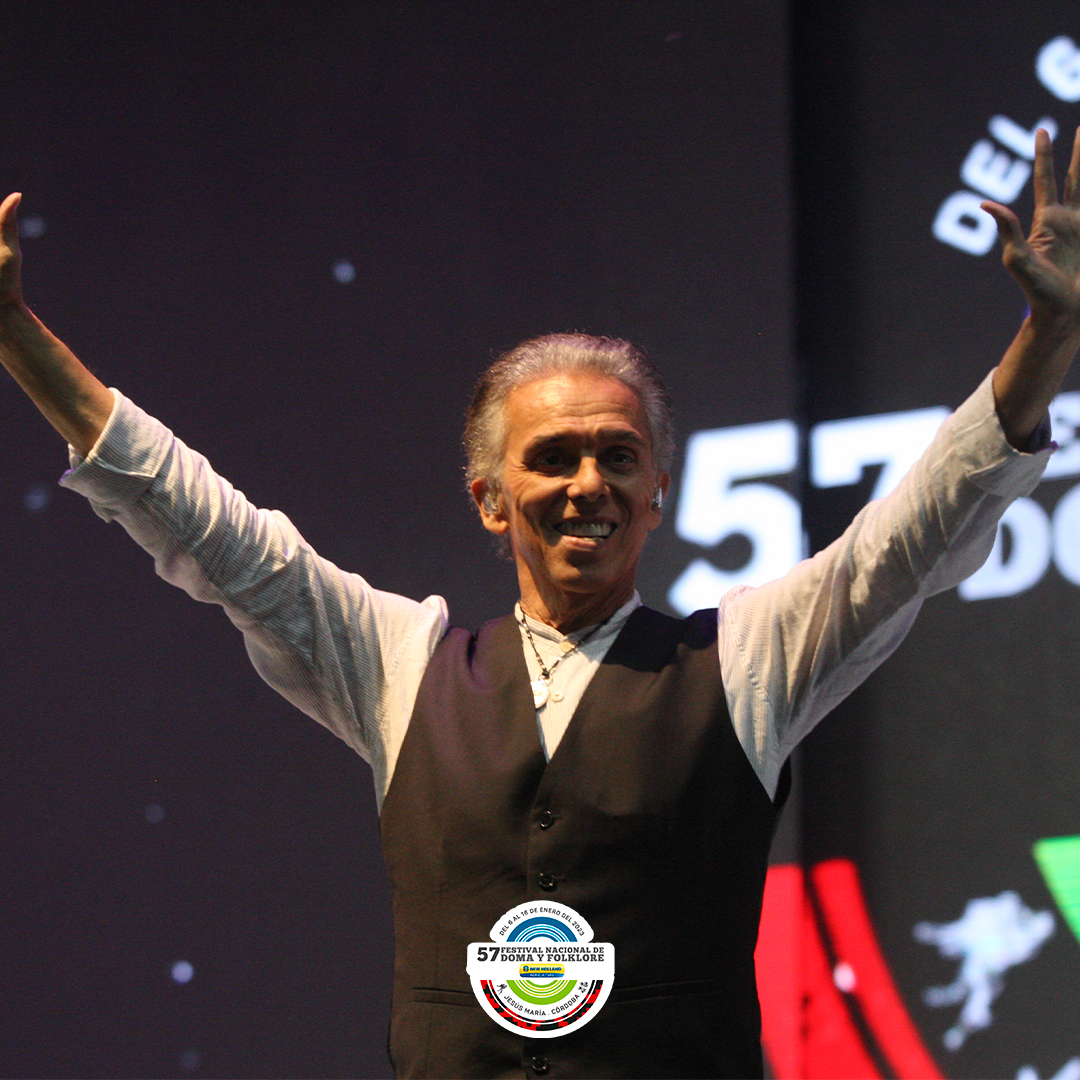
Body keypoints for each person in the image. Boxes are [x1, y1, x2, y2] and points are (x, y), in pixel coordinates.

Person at [2, 128, 1079, 1079]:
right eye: (553, 457)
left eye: (619, 456)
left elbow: (911, 540)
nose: (587, 484)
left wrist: (1047, 339)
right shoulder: (399, 667)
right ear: (488, 498)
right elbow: (209, 531)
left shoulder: (744, 665)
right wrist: (16, 336)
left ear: (659, 491)